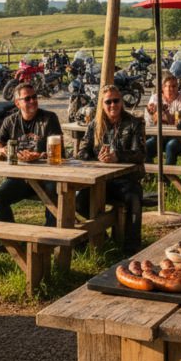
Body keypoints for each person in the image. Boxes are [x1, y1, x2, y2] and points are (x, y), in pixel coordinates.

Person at [76, 85, 145, 254]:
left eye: (116, 100)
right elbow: (81, 152)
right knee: (78, 201)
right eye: (108, 102)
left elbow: (141, 153)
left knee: (134, 197)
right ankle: (103, 237)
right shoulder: (95, 125)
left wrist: (118, 156)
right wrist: (95, 157)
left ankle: (132, 248)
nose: (113, 105)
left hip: (126, 180)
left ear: (122, 102)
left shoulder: (134, 123)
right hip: (101, 180)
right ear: (102, 104)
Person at [0, 83, 62, 224]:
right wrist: (1, 150)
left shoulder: (49, 118)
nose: (33, 101)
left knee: (55, 193)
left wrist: (40, 156)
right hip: (20, 178)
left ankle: (51, 236)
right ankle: (10, 239)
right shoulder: (10, 121)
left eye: (34, 97)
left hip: (46, 177)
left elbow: (60, 151)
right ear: (17, 103)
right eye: (27, 98)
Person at [145, 74, 181, 166]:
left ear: (178, 87)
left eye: (174, 86)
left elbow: (180, 122)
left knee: (170, 146)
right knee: (145, 147)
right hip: (159, 135)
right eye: (168, 86)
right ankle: (150, 174)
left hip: (178, 137)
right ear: (162, 88)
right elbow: (153, 120)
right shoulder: (155, 98)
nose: (171, 89)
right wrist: (152, 113)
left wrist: (166, 113)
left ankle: (167, 178)